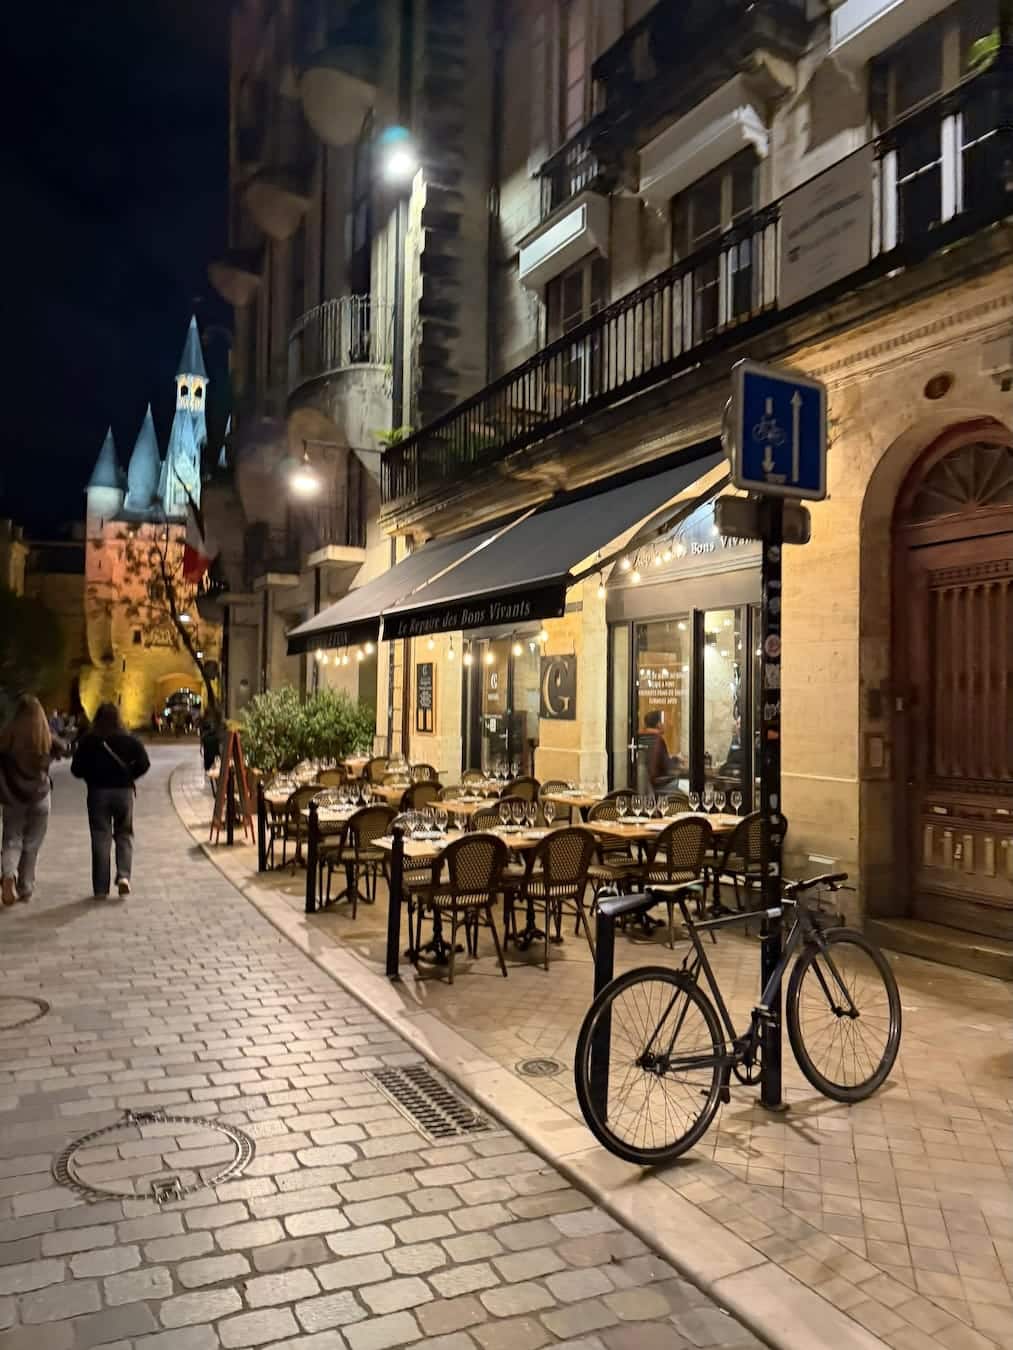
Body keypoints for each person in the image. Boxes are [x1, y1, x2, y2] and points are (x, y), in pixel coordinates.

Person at [71, 703, 150, 899]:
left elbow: (76, 769)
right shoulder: (129, 740)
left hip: (98, 793)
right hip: (123, 793)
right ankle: (124, 876)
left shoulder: (88, 741)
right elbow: (144, 763)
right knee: (124, 833)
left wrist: (92, 774)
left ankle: (100, 888)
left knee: (100, 836)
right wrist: (130, 775)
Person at [0, 696, 67, 906]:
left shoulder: (6, 737)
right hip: (39, 795)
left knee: (12, 839)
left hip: (12, 797)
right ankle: (25, 886)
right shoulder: (45, 737)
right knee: (32, 843)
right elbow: (63, 748)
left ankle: (8, 875)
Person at [641, 710, 684, 791]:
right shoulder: (658, 740)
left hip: (645, 786)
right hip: (658, 786)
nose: (666, 724)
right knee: (687, 784)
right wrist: (677, 759)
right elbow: (668, 767)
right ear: (658, 724)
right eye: (663, 721)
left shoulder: (641, 737)